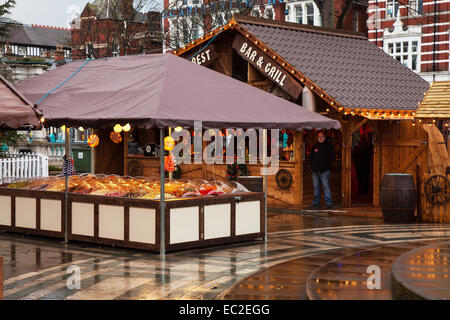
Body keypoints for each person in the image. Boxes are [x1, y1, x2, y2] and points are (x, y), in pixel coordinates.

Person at [309, 131, 335, 209]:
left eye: (322, 136)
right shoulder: (315, 146)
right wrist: (312, 166)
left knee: (326, 187)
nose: (320, 138)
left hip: (324, 171)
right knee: (316, 187)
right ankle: (316, 202)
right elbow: (310, 157)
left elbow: (331, 158)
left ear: (325, 137)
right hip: (315, 171)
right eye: (319, 136)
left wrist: (325, 166)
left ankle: (329, 203)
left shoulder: (329, 146)